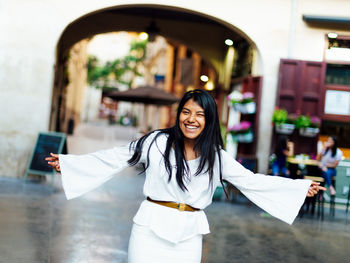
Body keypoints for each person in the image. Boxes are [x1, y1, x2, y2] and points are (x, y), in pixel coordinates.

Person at [45, 89, 324, 263]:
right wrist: (70, 164)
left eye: (200, 114)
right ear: (179, 115)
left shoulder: (217, 157)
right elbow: (116, 156)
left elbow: (252, 181)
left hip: (189, 236)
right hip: (149, 230)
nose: (191, 119)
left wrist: (297, 188)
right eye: (186, 112)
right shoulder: (156, 142)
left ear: (209, 120)